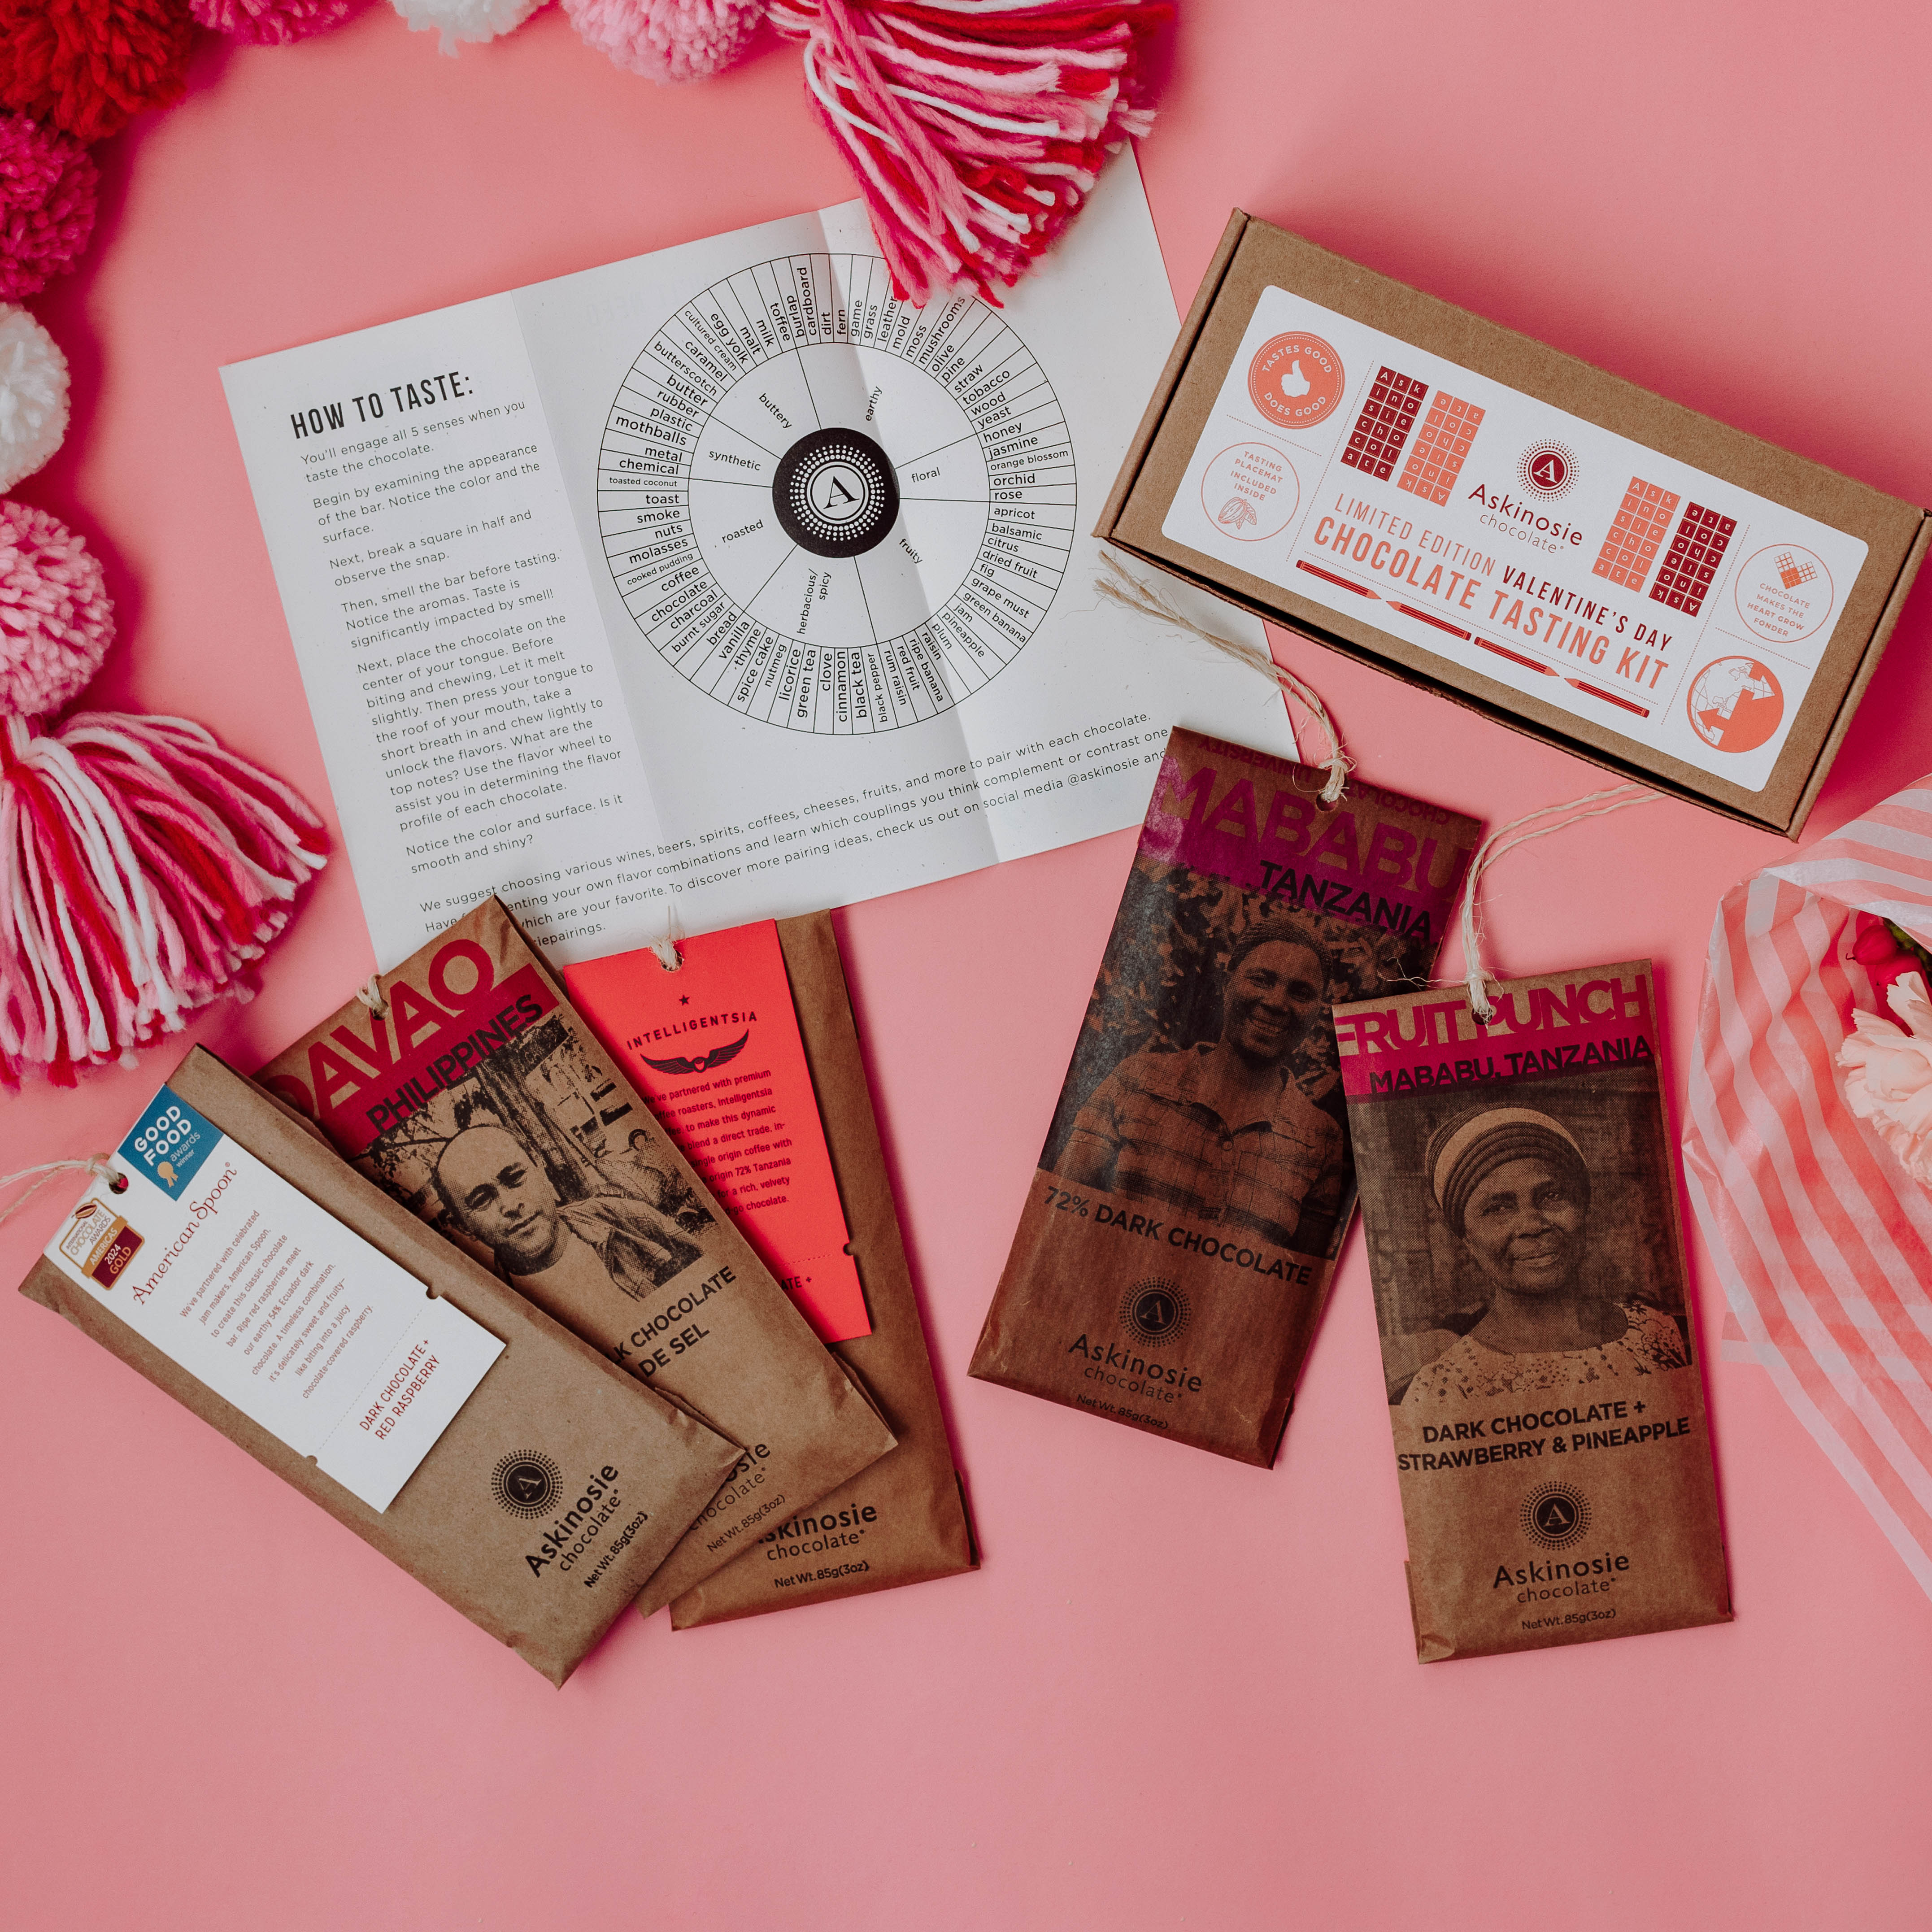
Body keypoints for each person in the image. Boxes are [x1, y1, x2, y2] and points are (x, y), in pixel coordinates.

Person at [1056, 918, 1345, 1255]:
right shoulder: (1136, 1079)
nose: (1277, 1003)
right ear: (1227, 982)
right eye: (1261, 980)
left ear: (1317, 1012)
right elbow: (1059, 1211)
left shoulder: (1321, 1138)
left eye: (1301, 993)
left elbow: (1301, 1281)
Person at [1397, 1104, 1688, 1408]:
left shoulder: (1655, 1334)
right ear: (1466, 1239)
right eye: (1498, 1208)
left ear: (1583, 1208)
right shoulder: (1446, 1389)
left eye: (1551, 1196)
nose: (1533, 1225)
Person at [432, 1125, 702, 1318]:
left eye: (515, 1178)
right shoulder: (488, 1312)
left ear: (541, 1169)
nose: (511, 1206)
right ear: (464, 1227)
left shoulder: (626, 1217)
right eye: (482, 1200)